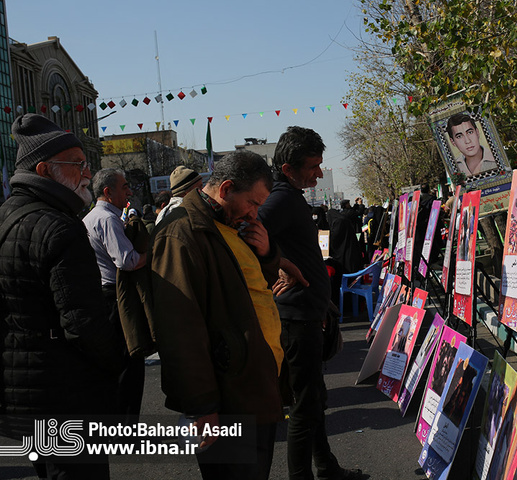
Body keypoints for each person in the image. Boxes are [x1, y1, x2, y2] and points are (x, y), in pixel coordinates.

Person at [0, 114, 125, 478]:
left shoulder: (7, 215)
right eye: (78, 164)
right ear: (44, 169)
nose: (88, 173)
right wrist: (117, 362)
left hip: (22, 395)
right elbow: (83, 325)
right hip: (65, 396)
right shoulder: (60, 228)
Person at [150, 151, 288, 479]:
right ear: (225, 189)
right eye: (253, 203)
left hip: (254, 385)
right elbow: (179, 330)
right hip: (228, 399)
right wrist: (202, 407)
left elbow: (252, 286)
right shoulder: (182, 232)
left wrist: (267, 253)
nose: (255, 213)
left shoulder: (229, 224)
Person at [258, 126, 362, 480]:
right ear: (289, 169)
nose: (319, 173)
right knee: (304, 407)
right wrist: (278, 265)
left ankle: (326, 467)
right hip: (295, 319)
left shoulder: (288, 195)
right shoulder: (281, 198)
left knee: (314, 401)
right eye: (313, 166)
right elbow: (247, 234)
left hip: (305, 315)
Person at [83, 168, 147, 423]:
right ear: (108, 192)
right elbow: (128, 261)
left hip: (104, 296)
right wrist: (152, 255)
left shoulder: (90, 217)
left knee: (115, 364)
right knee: (130, 361)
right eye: (124, 187)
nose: (129, 191)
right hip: (116, 298)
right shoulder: (108, 219)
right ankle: (125, 428)